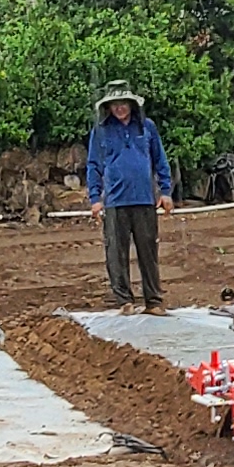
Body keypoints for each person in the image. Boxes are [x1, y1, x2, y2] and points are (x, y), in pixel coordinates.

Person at [85, 82, 177, 312]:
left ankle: (153, 301)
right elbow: (94, 165)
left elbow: (160, 160)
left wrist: (165, 191)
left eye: (123, 103)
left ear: (131, 104)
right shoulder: (101, 131)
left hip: (144, 199)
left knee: (148, 252)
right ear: (108, 106)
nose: (119, 108)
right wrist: (95, 198)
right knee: (116, 253)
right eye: (115, 104)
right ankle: (124, 301)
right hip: (115, 201)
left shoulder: (147, 127)